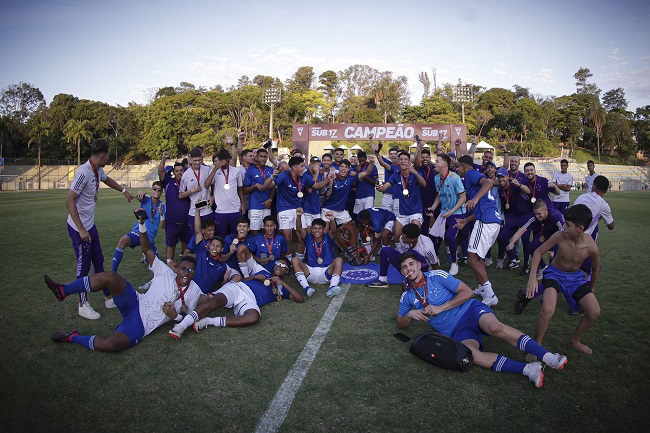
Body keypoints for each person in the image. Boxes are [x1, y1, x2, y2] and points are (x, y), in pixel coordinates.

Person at [396, 252, 568, 388]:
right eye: (404, 267)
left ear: (419, 265)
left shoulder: (437, 275)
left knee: (495, 327)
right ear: (402, 272)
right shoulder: (407, 296)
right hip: (455, 332)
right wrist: (409, 315)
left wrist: (441, 308)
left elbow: (468, 292)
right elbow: (400, 323)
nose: (408, 269)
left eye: (411, 264)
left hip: (470, 310)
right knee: (473, 356)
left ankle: (548, 357)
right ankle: (529, 370)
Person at [45, 209, 202, 352]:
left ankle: (72, 337)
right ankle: (62, 291)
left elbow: (189, 315)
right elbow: (147, 250)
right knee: (110, 277)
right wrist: (141, 225)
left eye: (190, 271)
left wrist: (175, 316)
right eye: (183, 269)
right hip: (135, 301)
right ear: (178, 268)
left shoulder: (194, 291)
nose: (186, 273)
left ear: (194, 274)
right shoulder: (166, 272)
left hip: (141, 324)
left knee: (111, 345)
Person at [66, 138, 135, 320]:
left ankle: (108, 297)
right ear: (103, 155)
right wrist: (81, 229)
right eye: (108, 156)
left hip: (90, 225)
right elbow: (69, 200)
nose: (108, 159)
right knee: (83, 266)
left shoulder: (98, 170)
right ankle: (82, 304)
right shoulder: (83, 172)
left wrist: (124, 191)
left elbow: (108, 180)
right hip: (79, 227)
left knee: (99, 260)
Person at [524, 204, 601, 357]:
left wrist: (591, 288)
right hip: (554, 275)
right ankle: (536, 345)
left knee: (594, 312)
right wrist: (532, 278)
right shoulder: (560, 236)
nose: (563, 226)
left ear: (580, 228)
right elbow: (539, 252)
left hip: (576, 279)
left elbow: (596, 268)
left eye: (568, 224)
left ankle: (575, 341)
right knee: (547, 309)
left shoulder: (591, 247)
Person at [168, 256, 303, 339]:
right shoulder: (264, 272)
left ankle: (209, 321)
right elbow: (244, 280)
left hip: (250, 300)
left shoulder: (282, 289)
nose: (279, 266)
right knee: (215, 301)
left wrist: (282, 283)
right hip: (240, 288)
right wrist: (256, 277)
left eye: (283, 266)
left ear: (287, 271)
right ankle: (181, 326)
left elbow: (299, 298)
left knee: (254, 317)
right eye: (277, 264)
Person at [454, 155, 501, 306]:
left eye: (457, 167)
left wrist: (474, 199)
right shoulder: (472, 178)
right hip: (492, 221)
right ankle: (482, 287)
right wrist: (466, 220)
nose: (456, 170)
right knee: (478, 257)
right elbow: (482, 205)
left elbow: (488, 183)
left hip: (485, 222)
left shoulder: (471, 173)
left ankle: (490, 294)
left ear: (464, 166)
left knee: (472, 258)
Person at [111, 182, 166, 274]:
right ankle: (112, 273)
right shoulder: (146, 199)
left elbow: (162, 227)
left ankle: (146, 256)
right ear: (151, 190)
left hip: (149, 239)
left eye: (159, 190)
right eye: (155, 189)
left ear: (162, 192)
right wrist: (140, 193)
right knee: (122, 241)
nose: (157, 191)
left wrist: (162, 215)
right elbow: (141, 197)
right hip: (138, 233)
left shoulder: (163, 206)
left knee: (156, 265)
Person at [428, 153, 466, 275]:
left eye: (437, 161)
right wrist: (432, 208)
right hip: (444, 213)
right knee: (433, 237)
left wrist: (452, 211)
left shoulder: (455, 177)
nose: (435, 163)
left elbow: (463, 197)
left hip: (456, 213)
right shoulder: (436, 178)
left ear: (444, 164)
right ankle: (435, 260)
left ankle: (454, 263)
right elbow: (439, 195)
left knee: (450, 237)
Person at [366, 223, 438, 288]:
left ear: (412, 239)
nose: (402, 238)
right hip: (407, 264)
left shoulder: (427, 247)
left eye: (404, 238)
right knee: (385, 250)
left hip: (423, 269)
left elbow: (434, 263)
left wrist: (435, 280)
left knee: (411, 253)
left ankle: (417, 281)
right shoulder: (402, 238)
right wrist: (392, 258)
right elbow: (402, 256)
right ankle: (382, 280)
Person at [292, 209, 343, 298]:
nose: (317, 231)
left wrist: (331, 220)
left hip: (326, 272)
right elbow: (299, 229)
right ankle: (307, 288)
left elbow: (334, 230)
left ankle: (332, 287)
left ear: (324, 230)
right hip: (311, 272)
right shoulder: (308, 238)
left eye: (320, 228)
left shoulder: (328, 238)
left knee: (339, 260)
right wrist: (299, 216)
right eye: (314, 228)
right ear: (311, 230)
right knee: (294, 260)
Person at [378, 151, 427, 241]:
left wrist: (415, 173)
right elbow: (384, 188)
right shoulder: (396, 175)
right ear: (398, 162)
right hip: (402, 212)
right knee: (396, 236)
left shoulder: (415, 173)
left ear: (409, 162)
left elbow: (424, 184)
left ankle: (415, 254)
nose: (403, 161)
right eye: (401, 159)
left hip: (415, 211)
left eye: (405, 159)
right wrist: (379, 187)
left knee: (414, 234)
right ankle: (402, 253)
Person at [496, 155, 532, 270]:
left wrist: (519, 185)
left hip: (525, 213)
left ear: (507, 176)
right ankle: (512, 260)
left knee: (526, 239)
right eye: (499, 178)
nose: (501, 179)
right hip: (513, 215)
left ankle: (526, 264)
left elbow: (528, 190)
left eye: (503, 177)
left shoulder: (515, 183)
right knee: (502, 237)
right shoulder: (501, 188)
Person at [205, 147, 245, 239]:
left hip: (235, 209)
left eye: (227, 161)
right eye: (223, 162)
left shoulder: (236, 171)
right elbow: (207, 185)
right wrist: (215, 168)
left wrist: (243, 204)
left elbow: (240, 188)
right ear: (218, 160)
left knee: (235, 236)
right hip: (220, 211)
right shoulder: (214, 171)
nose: (225, 164)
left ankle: (234, 253)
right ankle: (223, 253)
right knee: (221, 237)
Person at [158, 153, 190, 263]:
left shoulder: (188, 183)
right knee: (170, 244)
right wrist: (163, 159)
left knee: (186, 244)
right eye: (177, 171)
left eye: (181, 170)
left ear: (184, 171)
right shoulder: (168, 182)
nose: (179, 173)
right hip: (172, 222)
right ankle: (169, 264)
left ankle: (186, 264)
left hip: (186, 221)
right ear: (174, 172)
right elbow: (161, 172)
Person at [180, 147, 213, 233]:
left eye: (199, 160)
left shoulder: (207, 169)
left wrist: (213, 196)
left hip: (207, 211)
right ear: (190, 160)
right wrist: (191, 191)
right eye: (195, 160)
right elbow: (181, 194)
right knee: (195, 239)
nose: (197, 163)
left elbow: (215, 185)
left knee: (210, 236)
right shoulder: (186, 175)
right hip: (193, 212)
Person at [243, 147, 275, 234]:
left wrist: (270, 199)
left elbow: (273, 188)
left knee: (267, 231)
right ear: (256, 157)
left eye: (265, 157)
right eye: (261, 156)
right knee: (254, 232)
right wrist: (255, 186)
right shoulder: (250, 170)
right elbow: (244, 190)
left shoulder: (270, 170)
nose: (263, 159)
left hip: (267, 205)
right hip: (254, 206)